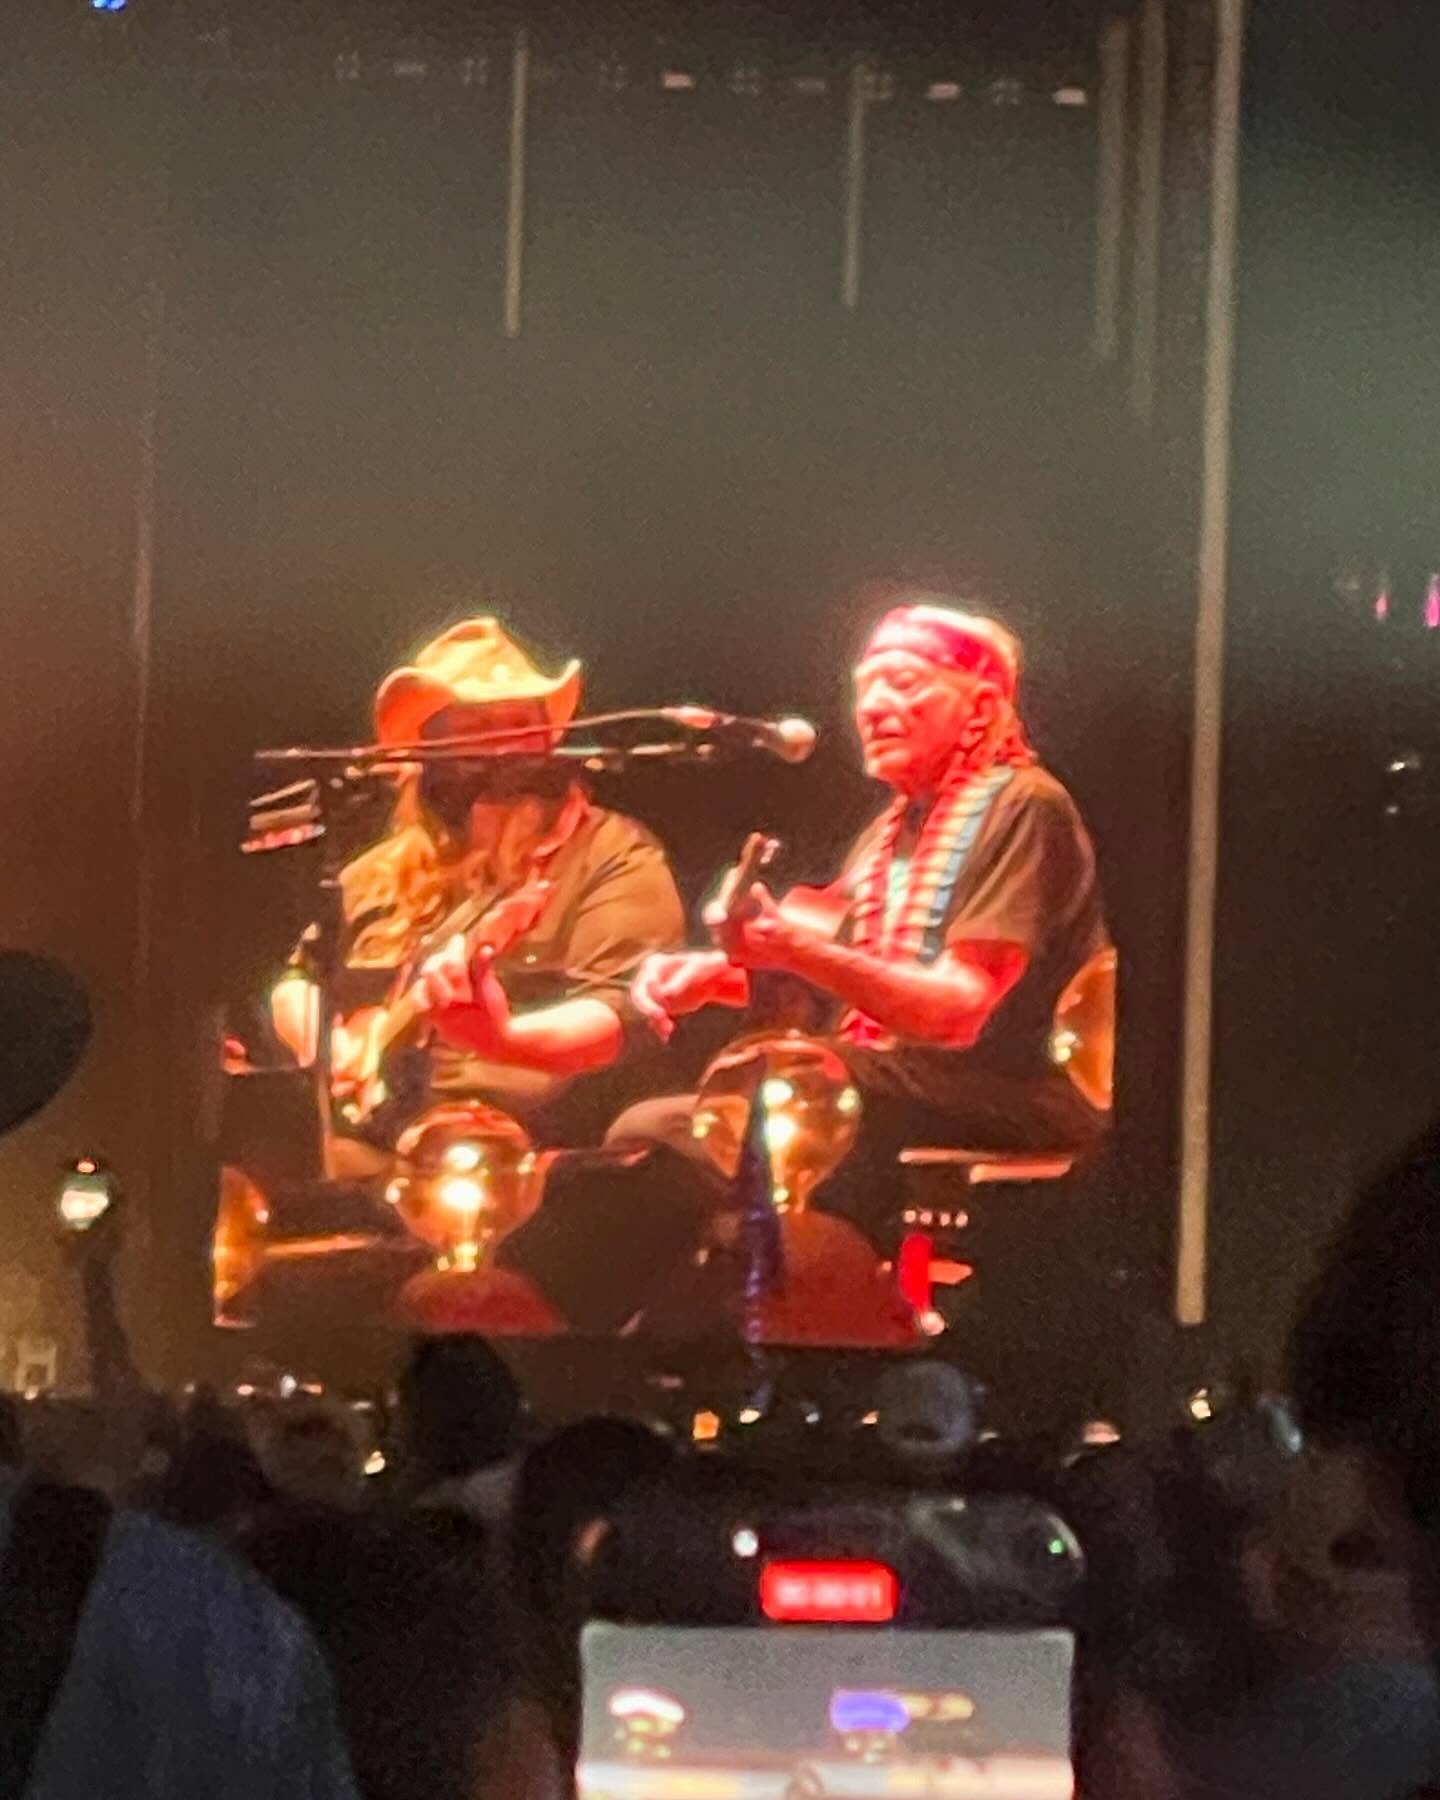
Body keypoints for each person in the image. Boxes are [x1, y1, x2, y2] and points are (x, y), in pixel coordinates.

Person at [614, 597, 1111, 1255]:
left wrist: (791, 949)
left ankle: (813, 1287)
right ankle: (739, 1302)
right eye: (864, 689)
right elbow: (853, 976)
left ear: (983, 707)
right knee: (647, 1132)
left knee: (775, 1081)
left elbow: (956, 1012)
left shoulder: (1025, 805)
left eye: (904, 684)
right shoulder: (887, 830)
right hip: (889, 1077)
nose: (873, 707)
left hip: (1007, 1087)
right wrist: (711, 975)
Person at [273, 616, 686, 1157]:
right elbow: (297, 980)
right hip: (379, 1144)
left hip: (544, 1153)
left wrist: (502, 1038)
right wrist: (329, 1046)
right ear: (429, 750)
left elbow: (622, 1014)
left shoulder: (611, 852)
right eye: (476, 727)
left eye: (520, 722)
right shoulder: (374, 873)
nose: (504, 747)